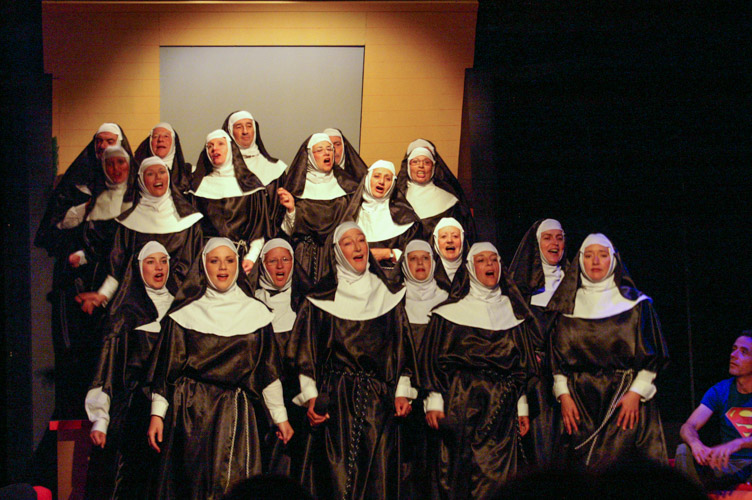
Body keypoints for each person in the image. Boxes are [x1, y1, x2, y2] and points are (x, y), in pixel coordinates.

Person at [147, 237, 292, 499]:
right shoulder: (184, 314)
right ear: (204, 266)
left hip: (236, 412)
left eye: (229, 260)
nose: (222, 267)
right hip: (191, 414)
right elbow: (167, 369)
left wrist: (280, 416)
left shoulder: (256, 313)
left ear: (237, 265)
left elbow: (268, 372)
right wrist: (157, 415)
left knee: (234, 486)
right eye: (215, 261)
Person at [291, 221, 417, 499]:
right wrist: (311, 397)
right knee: (336, 481)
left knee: (378, 479)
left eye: (361, 240)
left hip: (380, 402)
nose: (358, 247)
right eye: (348, 243)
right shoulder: (319, 298)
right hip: (336, 401)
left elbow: (401, 347)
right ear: (337, 252)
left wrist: (402, 391)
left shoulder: (389, 295)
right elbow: (306, 354)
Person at [419, 242, 538, 499]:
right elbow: (433, 360)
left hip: (502, 408)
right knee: (457, 475)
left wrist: (522, 408)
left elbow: (522, 367)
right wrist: (434, 401)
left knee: (497, 477)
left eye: (493, 259)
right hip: (460, 403)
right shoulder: (448, 313)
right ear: (471, 268)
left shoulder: (514, 313)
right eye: (482, 260)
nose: (489, 264)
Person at [547, 233, 669, 470]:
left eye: (602, 255)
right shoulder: (565, 306)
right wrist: (563, 395)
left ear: (613, 260)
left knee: (623, 470)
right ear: (580, 260)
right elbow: (556, 359)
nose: (595, 261)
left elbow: (652, 355)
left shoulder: (637, 304)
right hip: (579, 402)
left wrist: (636, 393)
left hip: (624, 398)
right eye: (589, 256)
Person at [35, 136, 136, 419]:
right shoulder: (97, 201)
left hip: (124, 283)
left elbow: (124, 250)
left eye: (121, 163)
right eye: (110, 164)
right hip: (92, 281)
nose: (116, 169)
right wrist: (82, 256)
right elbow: (90, 241)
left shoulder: (135, 201)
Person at [84, 241, 173, 499]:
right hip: (132, 412)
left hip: (171, 410)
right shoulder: (124, 314)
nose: (159, 267)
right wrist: (100, 419)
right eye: (151, 262)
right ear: (138, 268)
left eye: (163, 261)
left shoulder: (179, 307)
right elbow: (106, 369)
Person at [76, 156, 203, 313]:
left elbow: (196, 271)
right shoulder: (127, 222)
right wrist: (103, 294)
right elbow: (117, 266)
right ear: (141, 180)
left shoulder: (190, 222)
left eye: (162, 172)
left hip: (181, 301)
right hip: (135, 301)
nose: (157, 177)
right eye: (150, 174)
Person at [508, 218, 568, 467]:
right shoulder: (520, 289)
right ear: (536, 243)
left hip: (571, 376)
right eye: (548, 238)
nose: (555, 243)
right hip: (536, 380)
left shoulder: (573, 282)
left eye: (559, 238)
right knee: (541, 449)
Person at [252, 238, 310, 477]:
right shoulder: (252, 302)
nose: (279, 266)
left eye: (285, 259)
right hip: (262, 402)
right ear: (262, 265)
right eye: (272, 260)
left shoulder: (304, 303)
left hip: (299, 399)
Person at [400, 239, 449, 499]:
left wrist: (435, 397)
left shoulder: (446, 301)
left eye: (425, 258)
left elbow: (445, 356)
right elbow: (394, 351)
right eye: (413, 258)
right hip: (402, 398)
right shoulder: (395, 300)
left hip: (437, 396)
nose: (420, 263)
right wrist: (403, 390)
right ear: (404, 264)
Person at [277, 134, 358, 284]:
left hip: (337, 256)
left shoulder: (348, 187)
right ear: (309, 156)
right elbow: (287, 232)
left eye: (330, 149)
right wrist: (291, 210)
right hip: (306, 258)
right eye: (320, 150)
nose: (327, 153)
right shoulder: (295, 189)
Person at [676, 331, 752, 490]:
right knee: (683, 450)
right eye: (734, 349)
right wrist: (695, 443)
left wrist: (739, 443)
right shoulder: (721, 390)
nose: (733, 355)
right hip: (728, 465)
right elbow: (688, 426)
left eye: (744, 352)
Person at [191, 129, 272, 273]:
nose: (214, 149)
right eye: (210, 146)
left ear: (231, 148)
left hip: (242, 260)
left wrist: (251, 257)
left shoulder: (251, 187)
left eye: (220, 144)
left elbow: (258, 230)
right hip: (207, 261)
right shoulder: (197, 189)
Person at [392, 138, 476, 240]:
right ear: (408, 166)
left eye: (427, 162)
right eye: (415, 162)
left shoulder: (450, 202)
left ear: (433, 167)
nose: (421, 166)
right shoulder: (397, 201)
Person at [345, 160, 420, 269]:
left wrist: (389, 254)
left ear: (393, 184)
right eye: (376, 176)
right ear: (367, 179)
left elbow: (418, 256)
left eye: (388, 179)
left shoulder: (406, 219)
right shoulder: (351, 215)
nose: (381, 181)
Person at [222, 110, 288, 187]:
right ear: (230, 132)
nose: (245, 131)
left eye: (249, 126)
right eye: (239, 127)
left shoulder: (276, 168)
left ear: (254, 130)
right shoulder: (221, 170)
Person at [133, 122, 192, 194]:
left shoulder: (188, 174)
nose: (160, 139)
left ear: (173, 142)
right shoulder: (135, 174)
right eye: (155, 136)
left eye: (166, 136)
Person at [432, 217, 467, 291]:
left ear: (462, 239)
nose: (450, 240)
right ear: (436, 241)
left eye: (455, 236)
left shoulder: (474, 272)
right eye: (443, 236)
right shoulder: (428, 273)